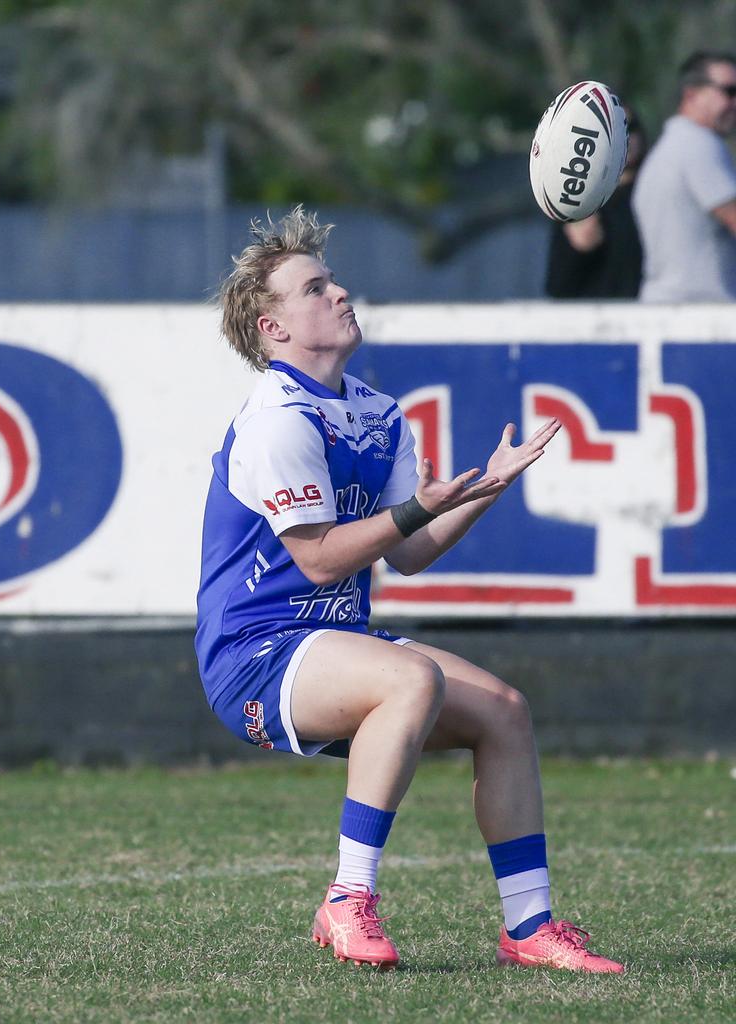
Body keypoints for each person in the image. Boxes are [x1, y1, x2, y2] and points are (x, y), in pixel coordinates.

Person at [195, 206, 624, 974]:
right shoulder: (276, 419)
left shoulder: (377, 414)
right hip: (257, 655)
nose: (340, 292)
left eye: (332, 280)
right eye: (315, 287)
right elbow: (323, 562)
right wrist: (422, 502)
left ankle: (530, 928)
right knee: (410, 677)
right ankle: (347, 900)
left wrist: (483, 489)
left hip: (339, 646)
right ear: (273, 331)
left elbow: (411, 552)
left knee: (505, 711)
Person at [632, 51, 736, 301]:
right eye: (729, 92)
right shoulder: (699, 144)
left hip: (669, 311)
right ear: (691, 94)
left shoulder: (671, 146)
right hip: (696, 317)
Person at [545, 109, 646, 298]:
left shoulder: (654, 191)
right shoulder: (576, 199)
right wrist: (576, 251)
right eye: (615, 131)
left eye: (630, 128)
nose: (626, 138)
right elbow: (556, 287)